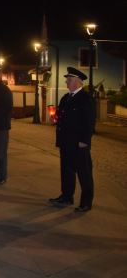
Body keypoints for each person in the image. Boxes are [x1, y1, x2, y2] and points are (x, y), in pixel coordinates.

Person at [49, 67, 95, 212]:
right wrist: (55, 119)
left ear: (77, 82)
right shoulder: (65, 98)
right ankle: (66, 196)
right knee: (66, 171)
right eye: (67, 80)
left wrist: (84, 141)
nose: (66, 82)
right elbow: (60, 116)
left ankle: (86, 203)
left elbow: (89, 122)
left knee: (84, 173)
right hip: (66, 142)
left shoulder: (86, 99)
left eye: (69, 80)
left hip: (79, 143)